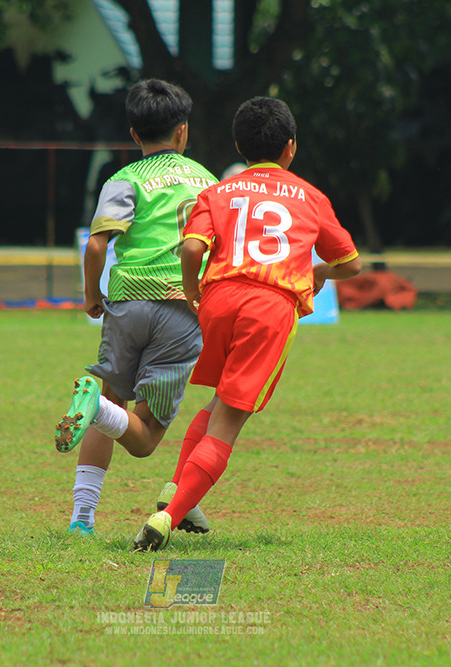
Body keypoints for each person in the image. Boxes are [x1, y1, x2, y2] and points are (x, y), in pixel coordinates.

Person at [131, 96, 364, 551]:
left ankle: (177, 492)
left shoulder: (217, 192)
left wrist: (195, 293)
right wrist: (320, 271)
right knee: (229, 422)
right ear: (291, 148)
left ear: (239, 145)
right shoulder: (311, 197)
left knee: (222, 401)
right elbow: (351, 264)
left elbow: (193, 250)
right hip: (269, 306)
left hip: (218, 302)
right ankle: (165, 517)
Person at [53, 79, 218, 537]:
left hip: (125, 303)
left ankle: (82, 520)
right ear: (183, 132)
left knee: (109, 401)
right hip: (181, 309)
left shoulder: (124, 180)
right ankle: (103, 414)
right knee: (142, 438)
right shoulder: (208, 183)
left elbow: (96, 244)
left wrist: (91, 297)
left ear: (133, 135)